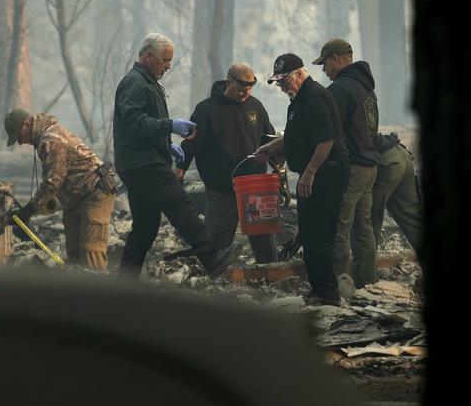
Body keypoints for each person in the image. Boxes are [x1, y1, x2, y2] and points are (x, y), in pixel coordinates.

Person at [112, 33, 242, 279]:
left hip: (138, 161)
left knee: (145, 228)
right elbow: (134, 122)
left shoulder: (146, 82)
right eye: (164, 60)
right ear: (148, 56)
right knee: (178, 202)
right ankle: (210, 256)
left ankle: (124, 284)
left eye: (170, 60)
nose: (168, 66)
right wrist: (169, 126)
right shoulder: (136, 84)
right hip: (143, 162)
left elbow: (145, 123)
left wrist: (166, 143)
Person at [254, 53, 349, 305]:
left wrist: (309, 172)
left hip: (326, 174)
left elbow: (325, 139)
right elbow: (297, 135)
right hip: (315, 174)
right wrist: (272, 146)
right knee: (308, 232)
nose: (282, 86)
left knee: (319, 235)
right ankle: (318, 289)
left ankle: (328, 293)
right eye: (278, 82)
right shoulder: (298, 100)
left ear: (299, 73)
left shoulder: (315, 97)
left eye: (284, 80)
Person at [177, 63, 278, 263]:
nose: (245, 94)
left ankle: (270, 276)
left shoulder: (255, 106)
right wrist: (180, 169)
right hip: (223, 188)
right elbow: (190, 144)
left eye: (249, 90)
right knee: (215, 242)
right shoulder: (206, 110)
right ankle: (207, 279)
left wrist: (277, 166)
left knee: (265, 242)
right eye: (241, 89)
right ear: (229, 81)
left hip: (255, 186)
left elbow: (269, 139)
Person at [5, 109, 118, 271]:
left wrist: (28, 210)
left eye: (18, 136)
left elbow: (53, 182)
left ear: (27, 124)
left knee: (91, 252)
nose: (20, 143)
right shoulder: (46, 138)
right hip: (74, 196)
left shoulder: (51, 140)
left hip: (95, 192)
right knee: (73, 252)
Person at [314, 38, 379, 289]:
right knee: (364, 228)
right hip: (369, 166)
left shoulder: (340, 89)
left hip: (351, 169)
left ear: (336, 59)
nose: (323, 70)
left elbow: (327, 131)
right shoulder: (366, 88)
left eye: (325, 63)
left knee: (340, 225)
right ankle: (368, 282)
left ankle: (340, 283)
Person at [370, 133, 423, 252]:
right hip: (402, 154)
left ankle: (366, 269)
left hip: (388, 161)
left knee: (368, 220)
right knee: (413, 218)